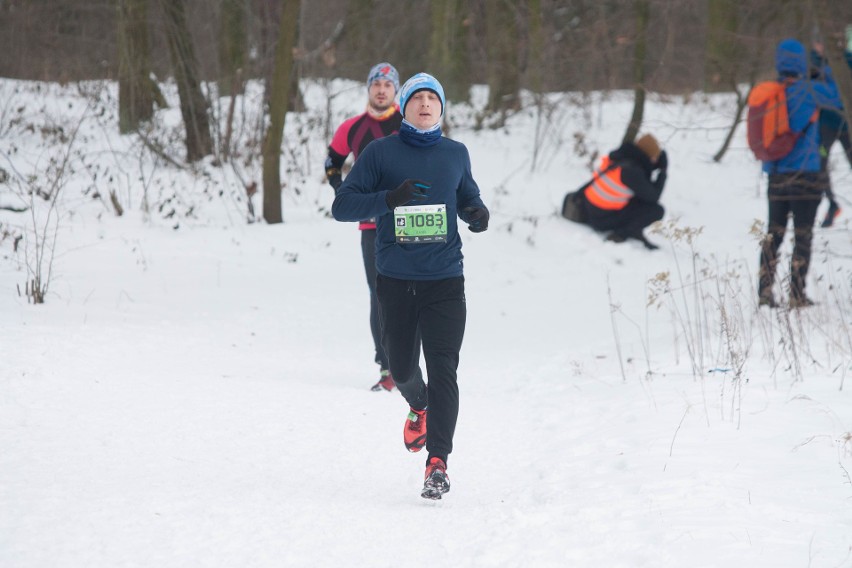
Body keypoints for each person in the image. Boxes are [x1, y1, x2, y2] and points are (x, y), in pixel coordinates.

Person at [331, 72, 488, 500]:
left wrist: (476, 213)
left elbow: (467, 197)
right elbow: (341, 205)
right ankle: (418, 406)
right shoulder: (381, 152)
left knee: (444, 371)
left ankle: (438, 463)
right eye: (416, 97)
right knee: (402, 369)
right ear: (404, 106)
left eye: (431, 98)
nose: (424, 104)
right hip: (397, 281)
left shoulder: (456, 153)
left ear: (441, 108)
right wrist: (387, 199)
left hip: (445, 280)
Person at [325, 62, 403, 392]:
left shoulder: (409, 123)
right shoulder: (352, 128)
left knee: (413, 292)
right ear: (368, 89)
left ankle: (410, 364)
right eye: (376, 84)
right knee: (379, 295)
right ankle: (387, 368)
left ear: (396, 90)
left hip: (407, 223)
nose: (382, 89)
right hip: (371, 225)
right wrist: (344, 193)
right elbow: (332, 161)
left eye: (388, 84)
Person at [757, 38, 841, 309]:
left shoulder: (770, 92)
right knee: (802, 235)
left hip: (776, 174)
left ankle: (765, 291)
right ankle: (796, 293)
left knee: (774, 234)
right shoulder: (809, 90)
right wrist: (821, 65)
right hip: (805, 174)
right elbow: (836, 95)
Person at [576, 133, 668, 250]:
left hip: (588, 209)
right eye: (654, 158)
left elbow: (642, 182)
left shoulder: (620, 157)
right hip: (600, 220)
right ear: (647, 155)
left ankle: (628, 230)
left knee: (640, 199)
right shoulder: (632, 172)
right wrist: (663, 172)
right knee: (656, 210)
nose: (655, 161)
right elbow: (654, 196)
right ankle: (620, 234)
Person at [810, 36, 852, 227]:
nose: (820, 46)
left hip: (846, 125)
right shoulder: (811, 65)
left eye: (823, 41)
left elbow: (837, 94)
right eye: (817, 42)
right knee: (820, 164)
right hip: (825, 126)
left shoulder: (846, 61)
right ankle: (832, 204)